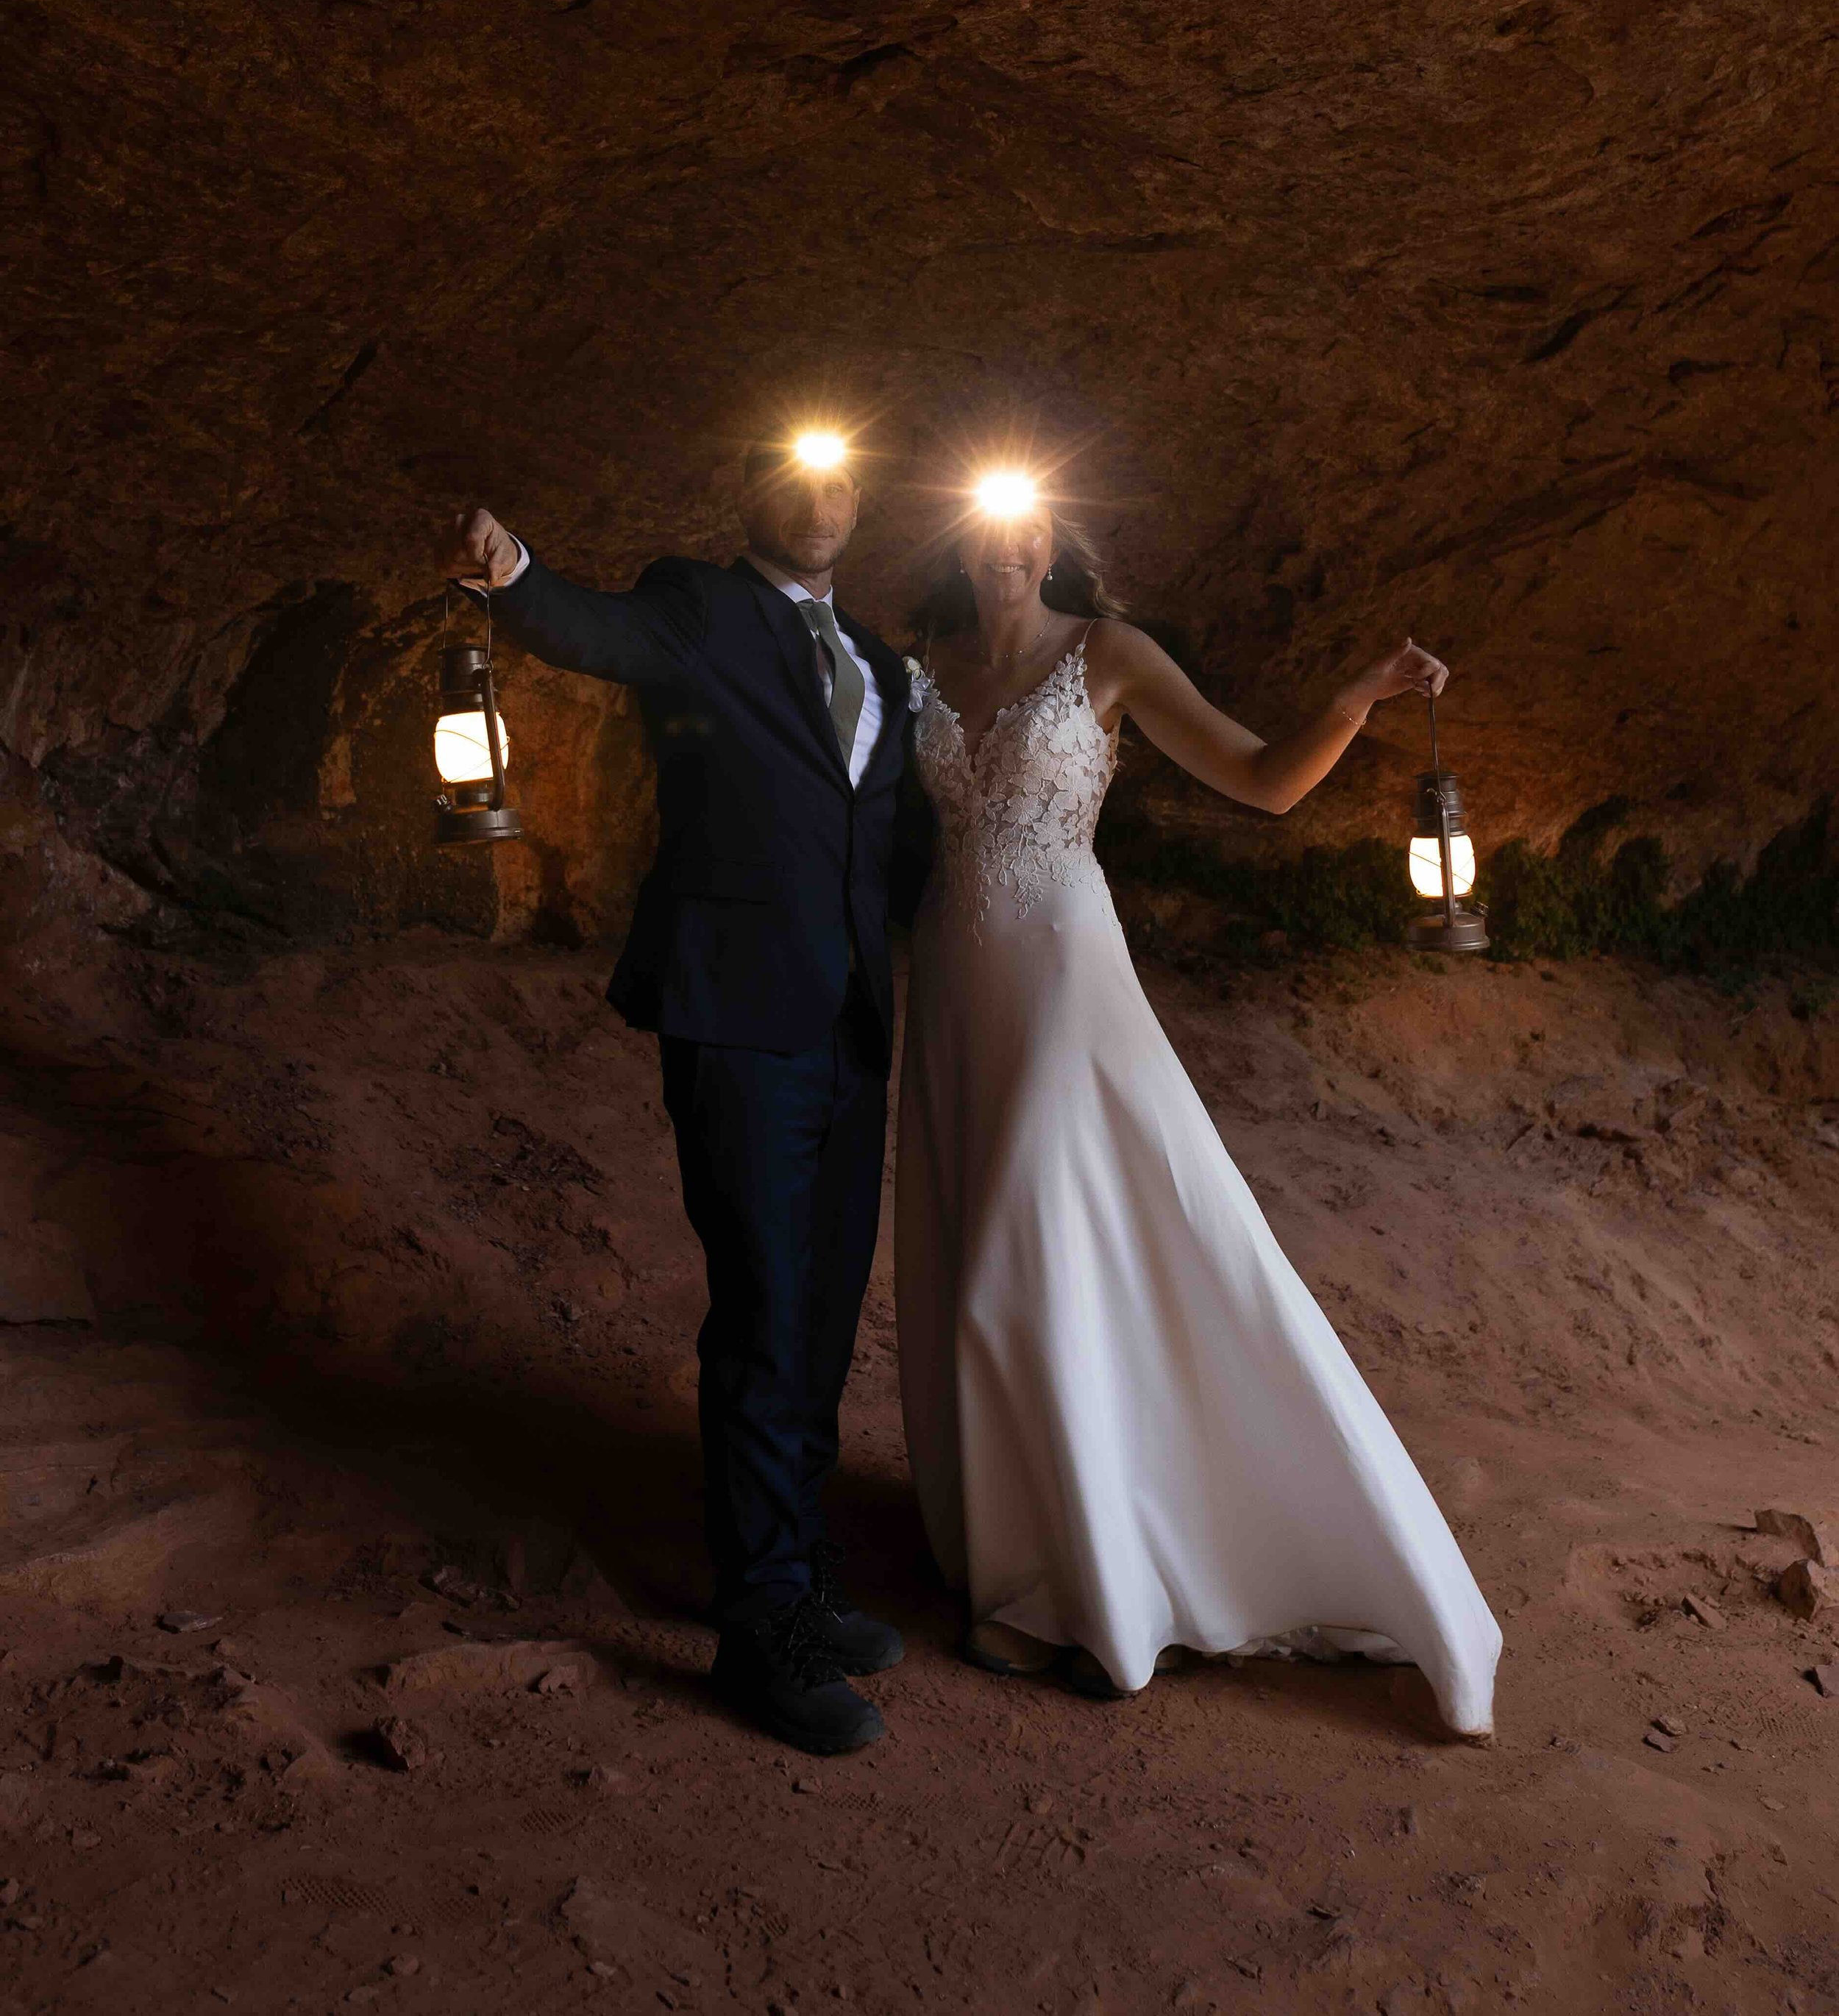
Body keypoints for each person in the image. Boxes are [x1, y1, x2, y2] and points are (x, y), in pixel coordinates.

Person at [895, 477, 1501, 1736]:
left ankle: (1091, 1594)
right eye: (985, 521)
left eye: (1031, 522)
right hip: (953, 987)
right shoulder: (926, 665)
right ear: (957, 539)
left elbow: (1268, 782)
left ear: (1053, 542)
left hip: (1067, 979)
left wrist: (1353, 696)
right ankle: (1026, 1556)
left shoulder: (1108, 654)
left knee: (1024, 1257)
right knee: (977, 1258)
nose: (1009, 544)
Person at [443, 438, 922, 1756]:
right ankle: (760, 1628)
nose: (821, 496)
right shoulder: (697, 608)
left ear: (861, 506)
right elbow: (591, 631)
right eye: (796, 471)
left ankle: (801, 1575)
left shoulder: (881, 664)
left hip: (851, 1036)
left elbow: (899, 848)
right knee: (764, 1312)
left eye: (842, 475)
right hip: (738, 1024)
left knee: (822, 1320)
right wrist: (513, 572)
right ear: (752, 498)